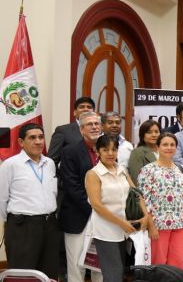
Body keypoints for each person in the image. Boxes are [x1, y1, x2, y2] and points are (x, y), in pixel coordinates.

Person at [85, 135, 151, 282]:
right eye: (105, 149)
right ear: (97, 152)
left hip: (126, 230)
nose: (110, 153)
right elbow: (97, 205)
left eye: (114, 149)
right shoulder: (93, 174)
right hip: (106, 230)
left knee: (120, 272)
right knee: (113, 275)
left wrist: (146, 216)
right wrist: (121, 223)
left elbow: (136, 194)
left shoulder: (121, 170)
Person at [0, 123, 59, 278]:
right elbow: (2, 199)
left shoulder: (50, 163)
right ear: (21, 142)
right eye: (32, 138)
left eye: (41, 137)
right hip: (23, 228)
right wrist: (15, 221)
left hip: (50, 225)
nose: (38, 141)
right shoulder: (10, 165)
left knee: (49, 273)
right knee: (23, 274)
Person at [138, 132, 183, 270]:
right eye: (165, 144)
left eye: (172, 145)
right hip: (158, 224)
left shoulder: (181, 169)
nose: (169, 147)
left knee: (177, 261)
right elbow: (143, 200)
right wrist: (151, 225)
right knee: (158, 262)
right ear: (157, 147)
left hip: (181, 222)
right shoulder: (148, 170)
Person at [59, 111, 103, 282]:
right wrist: (95, 208)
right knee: (76, 266)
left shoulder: (108, 150)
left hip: (104, 219)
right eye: (89, 124)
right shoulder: (69, 151)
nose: (94, 127)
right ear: (81, 129)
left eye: (97, 124)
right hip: (78, 216)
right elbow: (72, 186)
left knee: (100, 266)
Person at [48, 97, 95, 164]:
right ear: (74, 112)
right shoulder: (63, 131)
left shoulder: (99, 131)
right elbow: (52, 160)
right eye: (81, 107)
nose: (86, 109)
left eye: (89, 107)